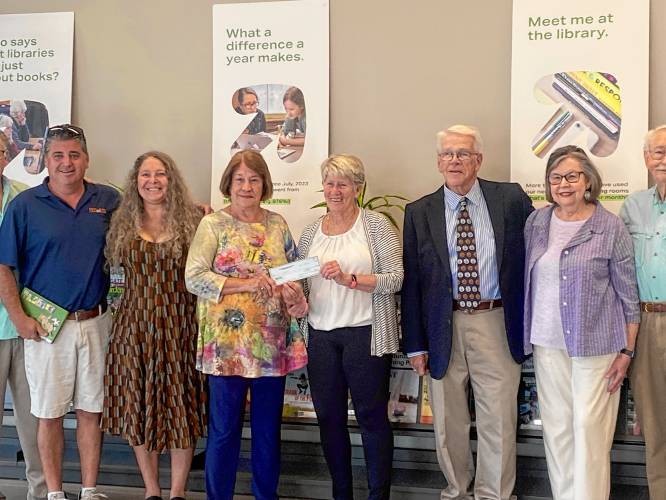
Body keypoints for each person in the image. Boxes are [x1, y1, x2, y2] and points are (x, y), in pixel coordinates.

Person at [401, 125, 533, 500]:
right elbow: (413, 284)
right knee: (448, 420)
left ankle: (494, 494)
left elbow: (534, 257)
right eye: (447, 154)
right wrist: (414, 345)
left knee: (499, 419)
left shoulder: (510, 199)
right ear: (438, 161)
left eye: (463, 154)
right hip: (442, 326)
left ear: (478, 160)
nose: (454, 161)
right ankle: (457, 490)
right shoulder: (419, 211)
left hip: (496, 320)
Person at [0, 124, 120, 500]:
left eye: (74, 155)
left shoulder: (109, 200)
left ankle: (89, 489)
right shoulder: (24, 206)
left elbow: (147, 223)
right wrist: (19, 318)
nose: (66, 163)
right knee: (48, 414)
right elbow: (4, 266)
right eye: (58, 156)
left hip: (95, 321)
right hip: (47, 329)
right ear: (45, 161)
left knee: (90, 410)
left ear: (86, 159)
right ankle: (53, 493)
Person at [185, 149, 308, 500]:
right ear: (229, 183)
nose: (246, 186)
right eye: (239, 179)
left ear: (264, 184)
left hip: (271, 346)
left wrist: (295, 294)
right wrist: (245, 284)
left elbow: (294, 271)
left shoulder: (278, 223)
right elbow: (193, 278)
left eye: (254, 179)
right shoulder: (213, 225)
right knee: (224, 432)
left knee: (268, 432)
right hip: (226, 349)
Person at [524, 145, 640, 500]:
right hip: (547, 343)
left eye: (572, 176)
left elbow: (628, 295)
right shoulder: (537, 222)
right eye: (556, 177)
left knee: (589, 431)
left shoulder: (609, 226)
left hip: (598, 346)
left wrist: (627, 351)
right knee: (557, 431)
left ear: (588, 180)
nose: (564, 184)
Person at [101, 151, 207, 500]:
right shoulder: (121, 223)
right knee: (139, 409)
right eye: (145, 174)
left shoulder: (194, 221)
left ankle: (178, 491)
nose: (152, 181)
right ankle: (151, 490)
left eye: (159, 174)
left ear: (170, 179)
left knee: (182, 409)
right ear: (136, 181)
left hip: (181, 327)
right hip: (133, 329)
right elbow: (113, 279)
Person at [297, 154, 403, 500]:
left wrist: (350, 279)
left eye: (342, 183)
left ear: (358, 187)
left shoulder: (376, 226)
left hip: (365, 333)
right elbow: (300, 281)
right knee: (328, 419)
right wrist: (294, 298)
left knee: (372, 418)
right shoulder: (312, 229)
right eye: (329, 183)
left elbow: (396, 278)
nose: (334, 190)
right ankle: (341, 493)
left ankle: (378, 495)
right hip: (321, 336)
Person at [619, 125, 666, 499]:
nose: (663, 159)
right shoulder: (632, 206)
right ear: (647, 159)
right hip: (646, 321)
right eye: (658, 152)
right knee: (655, 421)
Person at [0, 132, 47, 500]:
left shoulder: (23, 196)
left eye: (1, 151)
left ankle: (41, 491)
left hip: (28, 324)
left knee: (35, 420)